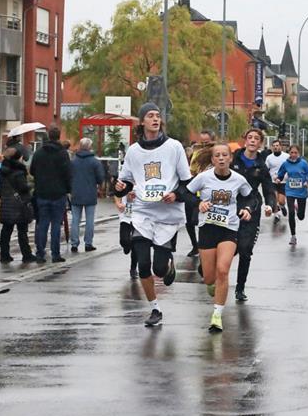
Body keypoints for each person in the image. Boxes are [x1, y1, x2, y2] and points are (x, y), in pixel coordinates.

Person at [114, 102, 192, 327]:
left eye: (158, 116)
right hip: (142, 213)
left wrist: (176, 195)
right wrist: (120, 188)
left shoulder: (174, 147)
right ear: (142, 122)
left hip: (167, 215)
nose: (155, 119)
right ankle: (155, 309)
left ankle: (168, 265)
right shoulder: (133, 151)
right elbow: (126, 182)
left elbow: (187, 183)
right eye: (150, 116)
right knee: (143, 265)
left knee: (158, 268)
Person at [186, 143, 254, 332]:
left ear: (230, 159)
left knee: (223, 270)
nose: (222, 158)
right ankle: (211, 284)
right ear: (213, 159)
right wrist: (199, 203)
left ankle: (217, 315)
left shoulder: (239, 180)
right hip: (208, 228)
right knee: (209, 277)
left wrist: (247, 209)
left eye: (225, 155)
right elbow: (185, 192)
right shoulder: (203, 178)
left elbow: (251, 197)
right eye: (217, 155)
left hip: (229, 229)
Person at [230, 128, 275, 301]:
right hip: (230, 205)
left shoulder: (261, 166)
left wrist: (271, 206)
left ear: (260, 143)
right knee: (229, 246)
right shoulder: (233, 158)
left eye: (257, 138)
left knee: (245, 249)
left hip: (252, 207)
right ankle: (209, 269)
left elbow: (269, 189)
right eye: (250, 137)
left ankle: (240, 288)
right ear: (245, 140)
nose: (253, 141)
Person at [30, 126, 71, 263]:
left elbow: (32, 170)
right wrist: (68, 190)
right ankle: (55, 253)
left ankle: (40, 253)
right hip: (59, 193)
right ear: (59, 136)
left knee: (42, 223)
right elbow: (68, 174)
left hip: (42, 192)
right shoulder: (63, 154)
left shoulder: (39, 153)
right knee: (55, 225)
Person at [0, 143, 36, 263]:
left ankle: (4, 255)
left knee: (6, 231)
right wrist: (31, 184)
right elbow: (23, 188)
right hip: (20, 205)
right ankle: (26, 254)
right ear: (18, 158)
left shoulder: (2, 172)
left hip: (7, 203)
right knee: (22, 231)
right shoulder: (19, 172)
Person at [69, 137, 105, 252]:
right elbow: (100, 178)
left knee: (75, 219)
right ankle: (88, 243)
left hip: (76, 193)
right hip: (90, 193)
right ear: (89, 147)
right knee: (90, 220)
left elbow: (68, 176)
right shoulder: (95, 162)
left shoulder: (73, 161)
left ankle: (74, 244)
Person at [276, 144, 308, 246]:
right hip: (290, 191)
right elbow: (280, 174)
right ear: (289, 153)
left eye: (295, 153)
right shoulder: (285, 164)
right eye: (291, 153)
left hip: (301, 191)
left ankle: (299, 210)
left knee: (301, 216)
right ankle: (293, 236)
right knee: (291, 213)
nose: (293, 155)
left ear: (299, 153)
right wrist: (278, 179)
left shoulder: (303, 163)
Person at [115, 192, 138, 279]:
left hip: (139, 214)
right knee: (124, 240)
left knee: (136, 243)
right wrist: (118, 203)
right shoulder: (124, 180)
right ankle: (127, 246)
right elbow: (116, 193)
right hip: (126, 212)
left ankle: (133, 268)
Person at [266, 139, 289, 224]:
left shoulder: (286, 156)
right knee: (274, 199)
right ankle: (277, 215)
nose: (276, 147)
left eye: (277, 146)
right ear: (272, 147)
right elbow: (266, 169)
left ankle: (282, 207)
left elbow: (290, 167)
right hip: (273, 182)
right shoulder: (269, 158)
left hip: (283, 182)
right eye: (274, 146)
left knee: (281, 201)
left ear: (280, 147)